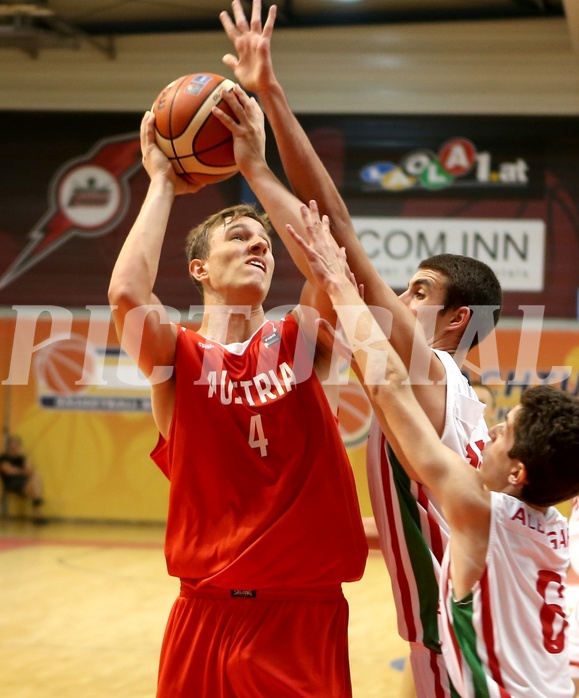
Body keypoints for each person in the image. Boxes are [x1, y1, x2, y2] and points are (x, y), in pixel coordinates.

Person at [219, 3, 502, 695]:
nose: (397, 301)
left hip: (460, 631)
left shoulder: (428, 369)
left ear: (453, 318)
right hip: (459, 624)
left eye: (416, 291)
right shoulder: (456, 396)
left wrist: (264, 130)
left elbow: (336, 228)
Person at [107, 82, 367, 697]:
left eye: (265, 241)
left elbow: (328, 257)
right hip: (205, 610)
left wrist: (255, 164)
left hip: (300, 614)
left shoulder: (302, 338)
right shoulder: (176, 357)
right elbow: (125, 294)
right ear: (199, 269)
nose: (259, 244)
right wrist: (162, 183)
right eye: (238, 238)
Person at [287, 202, 579, 698]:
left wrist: (338, 282)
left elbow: (388, 386)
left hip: (459, 657)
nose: (491, 436)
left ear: (517, 472)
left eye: (502, 434)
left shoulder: (476, 505)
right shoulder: (556, 533)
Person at [0, 433, 47, 524]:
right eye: (12, 443)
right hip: (11, 482)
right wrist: (22, 471)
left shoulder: (22, 457)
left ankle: (37, 512)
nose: (14, 445)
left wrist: (25, 456)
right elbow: (8, 471)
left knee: (35, 476)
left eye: (16, 443)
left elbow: (29, 470)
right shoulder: (4, 457)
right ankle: (38, 511)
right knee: (35, 488)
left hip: (24, 482)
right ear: (9, 445)